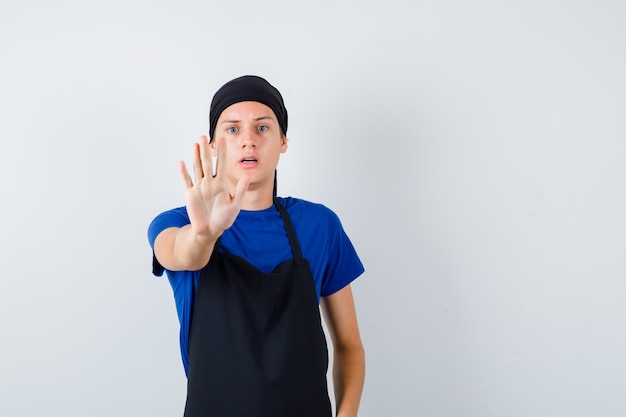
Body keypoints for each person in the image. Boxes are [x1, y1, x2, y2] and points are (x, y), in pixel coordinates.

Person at [147, 75, 365, 417]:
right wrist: (205, 232)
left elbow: (349, 345)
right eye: (233, 129)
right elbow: (178, 253)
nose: (248, 140)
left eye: (262, 128)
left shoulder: (320, 226)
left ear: (283, 141)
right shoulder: (179, 223)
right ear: (214, 145)